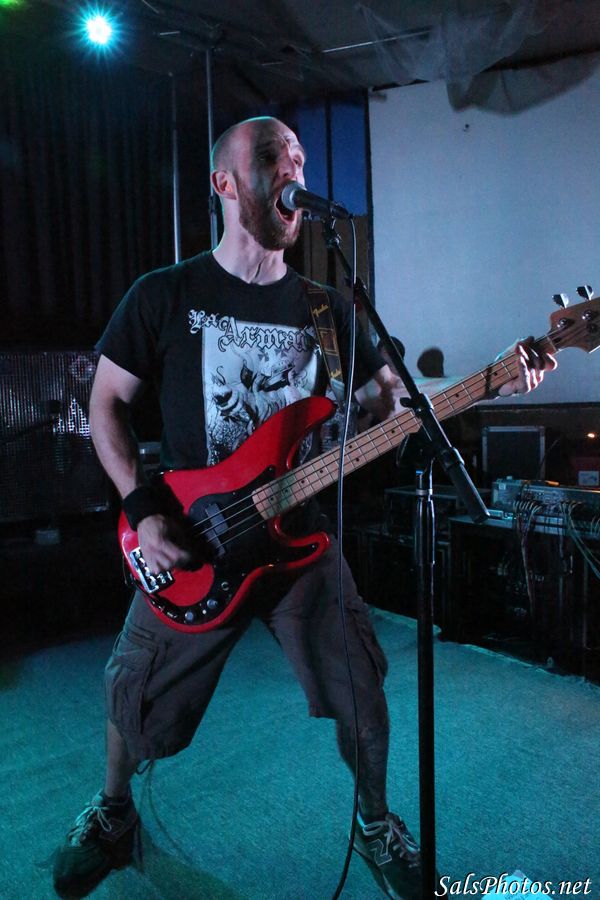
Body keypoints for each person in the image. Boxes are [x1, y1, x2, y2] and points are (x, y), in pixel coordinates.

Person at [51, 116, 555, 900]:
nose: (292, 167)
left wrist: (488, 380)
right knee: (136, 694)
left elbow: (390, 404)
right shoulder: (165, 294)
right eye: (271, 155)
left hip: (299, 539)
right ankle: (114, 813)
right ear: (224, 182)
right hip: (195, 535)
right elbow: (106, 401)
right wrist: (144, 511)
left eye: (299, 156)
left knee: (364, 693)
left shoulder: (328, 309)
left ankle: (374, 823)